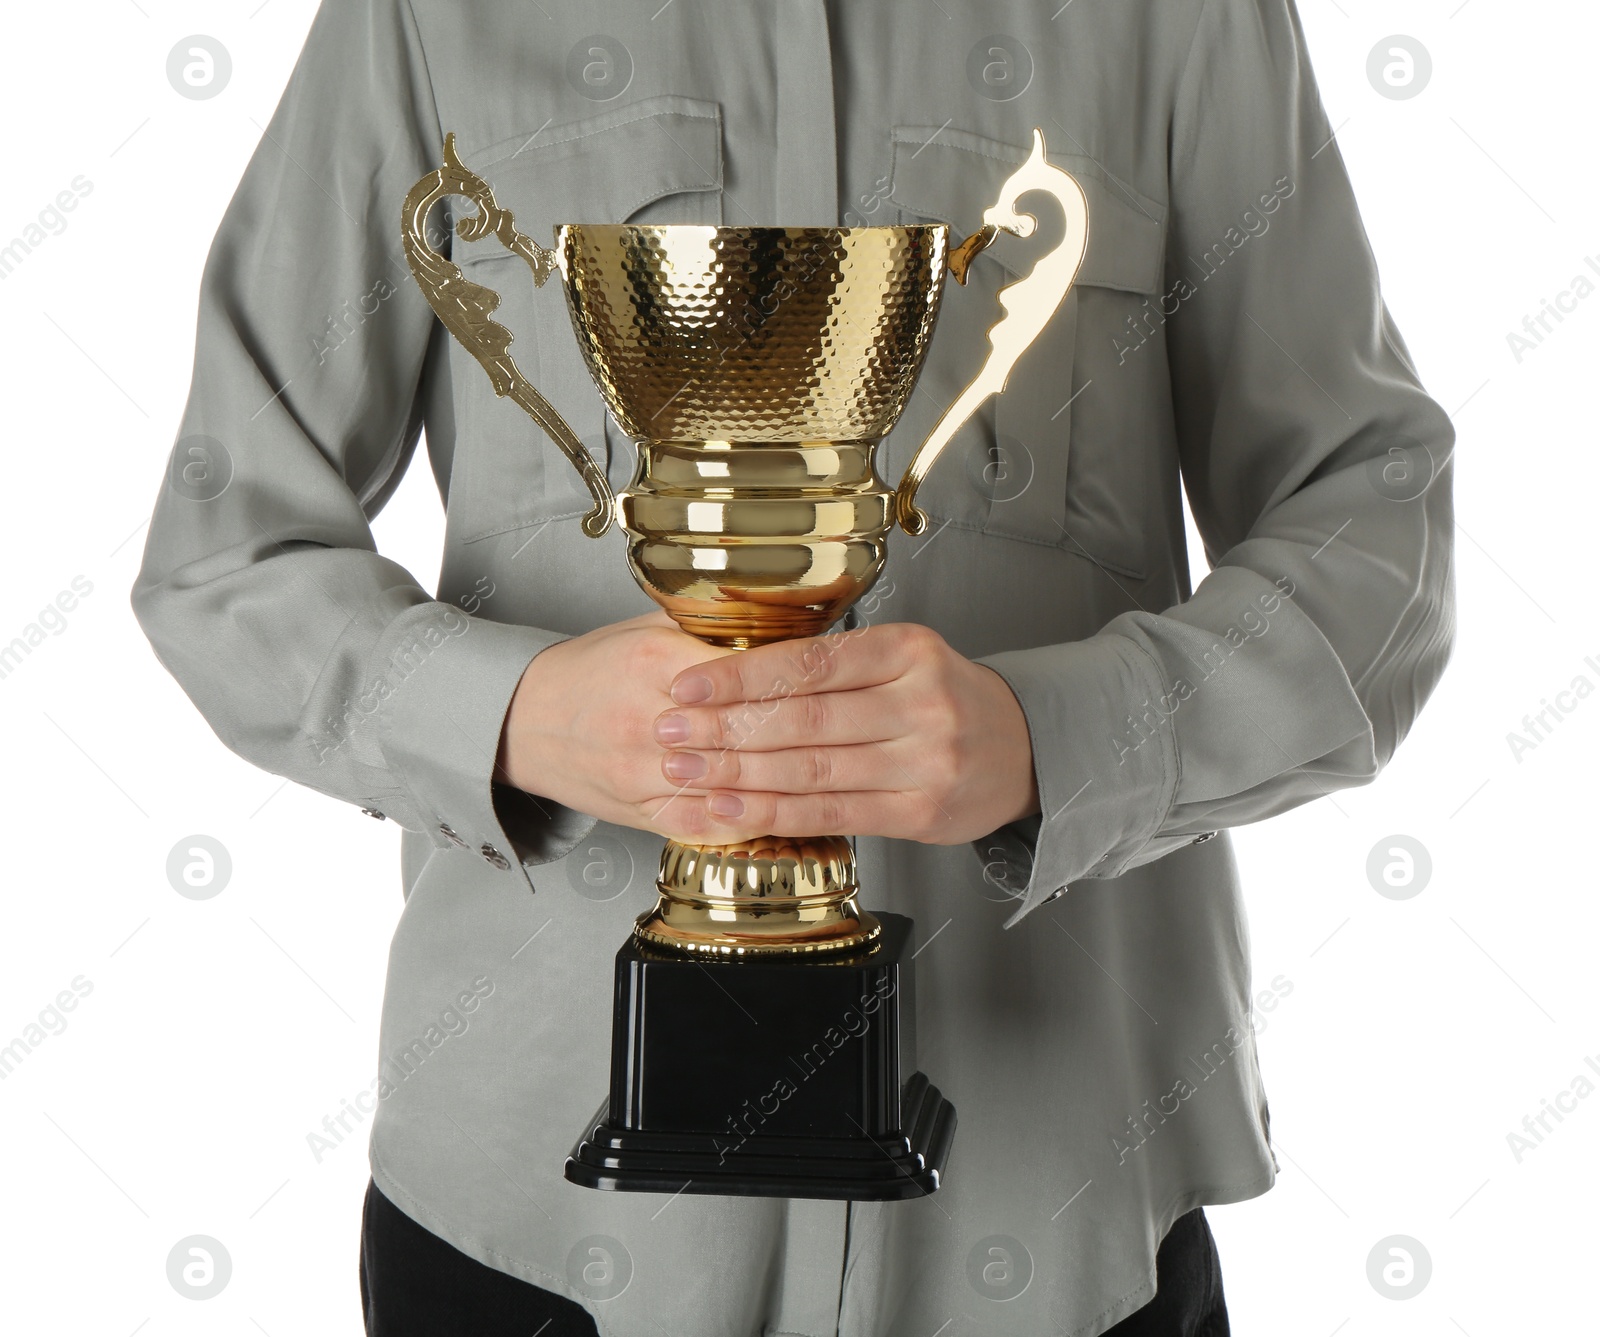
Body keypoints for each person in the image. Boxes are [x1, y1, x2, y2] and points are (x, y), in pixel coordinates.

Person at [133, 0, 1456, 1333]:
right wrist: (520, 718)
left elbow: (1376, 524)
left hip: (1067, 1232)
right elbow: (224, 552)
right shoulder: (422, 15)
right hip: (533, 1240)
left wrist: (1058, 739)